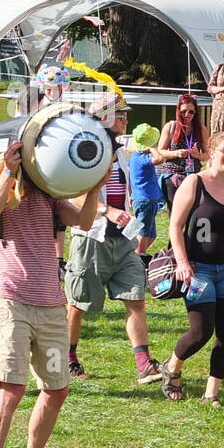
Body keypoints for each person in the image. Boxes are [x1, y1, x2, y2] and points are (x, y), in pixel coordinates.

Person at [0, 140, 104, 448]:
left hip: (51, 306)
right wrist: (8, 173)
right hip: (12, 303)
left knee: (57, 389)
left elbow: (84, 222)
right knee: (12, 388)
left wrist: (94, 188)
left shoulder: (47, 193)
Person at [65, 98, 164, 385]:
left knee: (136, 298)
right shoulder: (82, 152)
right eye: (120, 116)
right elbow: (71, 193)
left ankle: (144, 363)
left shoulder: (120, 153)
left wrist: (127, 214)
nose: (125, 121)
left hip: (122, 239)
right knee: (78, 302)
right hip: (91, 237)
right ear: (103, 120)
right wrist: (106, 210)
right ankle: (68, 360)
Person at [161, 132, 224, 405]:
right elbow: (175, 226)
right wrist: (183, 262)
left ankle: (211, 392)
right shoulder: (194, 183)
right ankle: (172, 367)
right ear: (211, 151)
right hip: (198, 268)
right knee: (201, 332)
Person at [156, 95, 209, 209]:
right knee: (175, 212)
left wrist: (198, 155)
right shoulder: (171, 126)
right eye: (184, 111)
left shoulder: (201, 129)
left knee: (193, 211)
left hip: (193, 176)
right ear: (178, 111)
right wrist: (176, 153)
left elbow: (208, 155)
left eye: (191, 112)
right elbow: (160, 151)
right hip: (172, 175)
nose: (187, 115)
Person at [125, 123, 163, 256]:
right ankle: (137, 254)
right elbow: (160, 158)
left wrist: (130, 194)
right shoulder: (142, 158)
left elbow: (129, 177)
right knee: (143, 230)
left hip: (144, 199)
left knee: (151, 234)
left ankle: (132, 248)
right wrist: (152, 148)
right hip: (145, 199)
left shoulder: (133, 157)